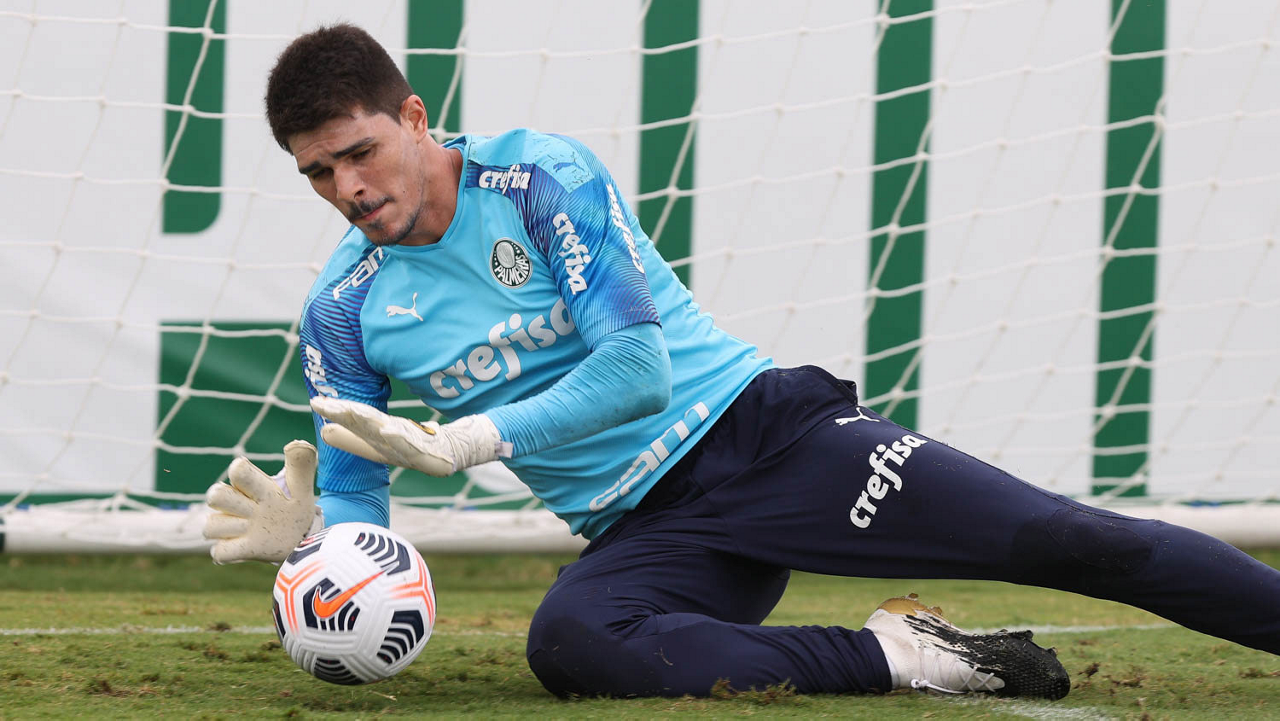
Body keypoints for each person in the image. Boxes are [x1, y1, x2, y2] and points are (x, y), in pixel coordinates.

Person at [202, 23, 1280, 700]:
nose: (347, 188)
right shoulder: (341, 308)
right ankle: (911, 656)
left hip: (770, 441)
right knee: (574, 644)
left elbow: (639, 370)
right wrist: (325, 546)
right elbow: (363, 504)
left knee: (1075, 541)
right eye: (317, 174)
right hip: (652, 530)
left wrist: (466, 442)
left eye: (360, 152)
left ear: (414, 117)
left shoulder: (535, 178)